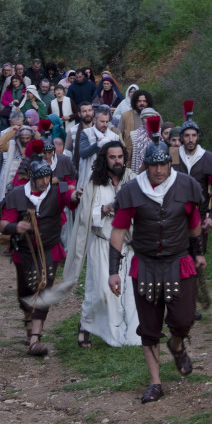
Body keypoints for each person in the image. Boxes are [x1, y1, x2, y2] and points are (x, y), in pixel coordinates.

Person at [109, 135, 204, 404]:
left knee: (184, 320)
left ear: (169, 164)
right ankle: (155, 382)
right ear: (146, 165)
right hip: (146, 264)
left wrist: (199, 254)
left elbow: (194, 222)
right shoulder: (131, 191)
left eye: (163, 164)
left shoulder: (186, 186)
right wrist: (113, 271)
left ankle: (176, 344)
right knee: (149, 328)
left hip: (178, 261)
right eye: (153, 165)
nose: (159, 170)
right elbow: (118, 232)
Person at [0, 148, 79, 356]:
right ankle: (28, 323)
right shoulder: (17, 194)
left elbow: (71, 198)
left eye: (47, 176)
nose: (44, 181)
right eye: (40, 178)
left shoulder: (58, 190)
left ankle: (35, 338)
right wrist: (15, 227)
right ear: (32, 178)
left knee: (44, 291)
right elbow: (3, 223)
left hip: (50, 250)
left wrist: (76, 194)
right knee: (25, 292)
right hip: (24, 252)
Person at [71, 141, 139, 347]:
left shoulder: (134, 180)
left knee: (129, 294)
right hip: (102, 243)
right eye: (112, 157)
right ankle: (87, 324)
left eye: (120, 157)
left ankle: (129, 332)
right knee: (101, 292)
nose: (117, 161)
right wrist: (106, 209)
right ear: (105, 159)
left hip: (129, 245)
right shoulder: (94, 183)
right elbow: (84, 217)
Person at [172, 104, 212, 253]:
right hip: (174, 216)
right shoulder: (172, 155)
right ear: (182, 137)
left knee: (197, 259)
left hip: (199, 216)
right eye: (187, 135)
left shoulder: (209, 159)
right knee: (174, 260)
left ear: (198, 136)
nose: (190, 139)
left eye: (193, 135)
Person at [77, 106, 121, 189]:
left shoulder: (115, 137)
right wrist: (97, 145)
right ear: (94, 120)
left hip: (109, 180)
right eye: (102, 121)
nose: (105, 124)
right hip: (89, 178)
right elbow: (83, 153)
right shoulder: (86, 133)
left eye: (107, 122)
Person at [0, 122, 36, 199]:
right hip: (11, 182)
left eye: (27, 138)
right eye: (22, 138)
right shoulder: (12, 145)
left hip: (28, 182)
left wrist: (37, 133)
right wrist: (11, 131)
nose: (25, 140)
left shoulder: (34, 147)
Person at [118, 89, 153, 163]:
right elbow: (119, 135)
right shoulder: (126, 116)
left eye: (144, 101)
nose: (142, 103)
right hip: (130, 156)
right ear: (135, 102)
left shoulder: (155, 115)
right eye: (139, 101)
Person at [130, 109, 162, 175]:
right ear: (141, 120)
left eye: (151, 118)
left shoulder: (161, 134)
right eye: (146, 118)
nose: (148, 120)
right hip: (138, 170)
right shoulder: (134, 135)